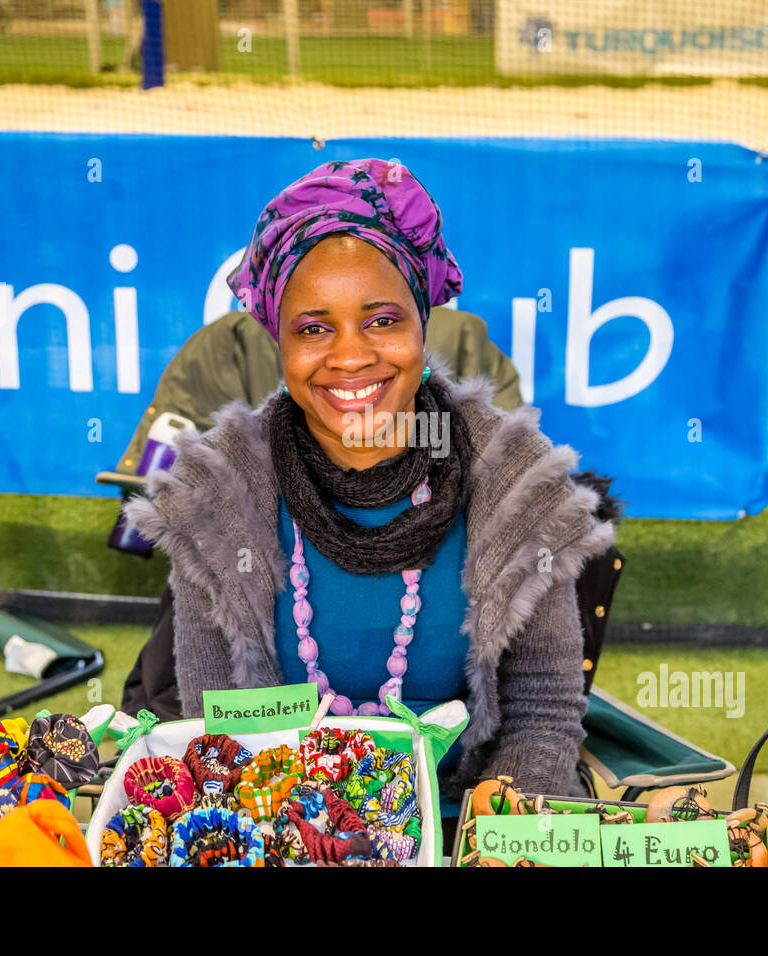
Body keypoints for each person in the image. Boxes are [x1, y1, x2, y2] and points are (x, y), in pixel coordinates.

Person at [126, 157, 615, 802]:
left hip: (468, 823)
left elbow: (542, 713)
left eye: (382, 320)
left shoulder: (511, 476)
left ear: (421, 324)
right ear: (280, 342)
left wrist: (486, 833)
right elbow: (218, 731)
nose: (352, 356)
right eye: (314, 328)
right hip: (278, 822)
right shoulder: (218, 490)